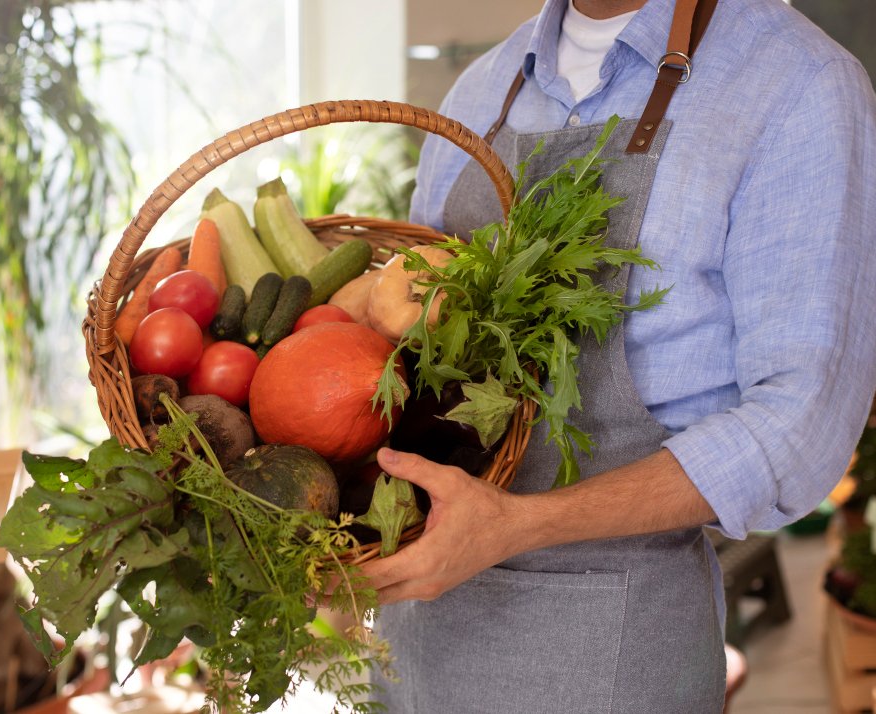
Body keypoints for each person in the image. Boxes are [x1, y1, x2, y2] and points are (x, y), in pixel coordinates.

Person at [360, 0, 876, 711]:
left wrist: (520, 524)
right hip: (410, 647)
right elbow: (401, 359)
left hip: (612, 652)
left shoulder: (798, 85)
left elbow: (798, 426)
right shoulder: (481, 90)